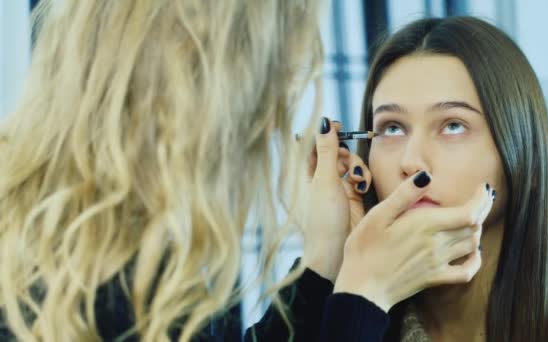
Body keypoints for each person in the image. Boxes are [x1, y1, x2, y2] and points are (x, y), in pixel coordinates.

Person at [0, 0, 327, 340]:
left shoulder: (75, 237)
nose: (273, 125)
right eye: (261, 95)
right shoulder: (120, 291)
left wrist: (324, 264)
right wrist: (359, 301)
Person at [285, 16, 548, 342]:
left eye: (453, 125)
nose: (411, 161)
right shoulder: (340, 316)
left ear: (525, 155)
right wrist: (332, 265)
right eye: (392, 128)